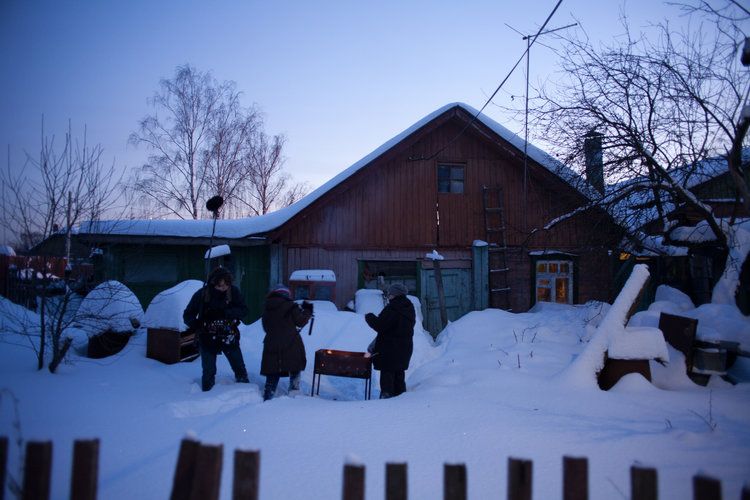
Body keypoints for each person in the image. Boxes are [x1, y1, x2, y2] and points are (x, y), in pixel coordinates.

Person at [183, 267, 250, 392]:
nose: (223, 288)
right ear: (213, 283)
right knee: (209, 371)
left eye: (226, 285)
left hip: (229, 335)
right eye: (220, 285)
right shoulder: (202, 294)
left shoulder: (233, 292)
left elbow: (244, 310)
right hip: (207, 337)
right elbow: (188, 315)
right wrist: (199, 324)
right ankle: (206, 396)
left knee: (239, 367)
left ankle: (246, 393)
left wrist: (228, 313)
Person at [260, 284, 313, 401]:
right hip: (291, 343)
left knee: (272, 371)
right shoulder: (291, 306)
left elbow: (265, 327)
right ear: (287, 295)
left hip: (271, 343)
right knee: (295, 366)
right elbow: (300, 321)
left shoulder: (267, 307)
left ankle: (268, 395)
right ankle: (294, 391)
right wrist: (308, 310)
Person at [365, 282, 416, 398]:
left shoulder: (393, 308)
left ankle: (387, 405)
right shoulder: (409, 307)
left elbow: (380, 325)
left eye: (390, 294)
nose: (388, 296)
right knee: (399, 376)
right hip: (404, 348)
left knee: (387, 378)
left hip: (390, 349)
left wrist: (369, 317)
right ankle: (401, 402)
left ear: (395, 294)